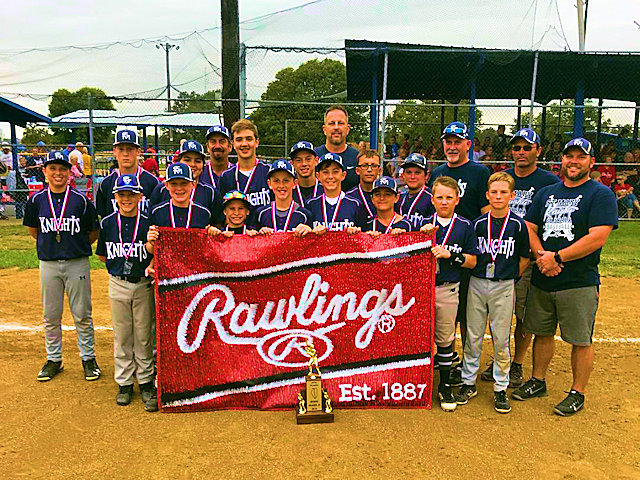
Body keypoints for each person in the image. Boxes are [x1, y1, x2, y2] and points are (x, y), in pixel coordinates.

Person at [512, 137, 618, 416]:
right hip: (544, 276)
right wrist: (541, 256)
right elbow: (530, 227)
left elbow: (598, 236)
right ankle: (538, 380)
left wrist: (557, 258)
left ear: (590, 162)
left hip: (578, 280)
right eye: (569, 156)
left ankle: (577, 392)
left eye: (580, 157)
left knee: (580, 339)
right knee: (542, 332)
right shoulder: (547, 192)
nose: (573, 161)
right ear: (562, 160)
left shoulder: (600, 194)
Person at [486, 128, 560, 388]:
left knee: (523, 315)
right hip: (499, 253)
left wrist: (539, 253)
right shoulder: (502, 178)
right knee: (498, 313)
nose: (521, 152)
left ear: (538, 151)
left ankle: (516, 364)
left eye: (527, 148)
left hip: (527, 256)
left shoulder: (549, 181)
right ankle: (500, 359)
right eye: (517, 148)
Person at [455, 172, 530, 414]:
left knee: (500, 338)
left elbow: (523, 259)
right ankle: (468, 382)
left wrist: (508, 278)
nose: (498, 196)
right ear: (487, 195)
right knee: (473, 335)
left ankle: (500, 386)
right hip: (477, 282)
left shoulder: (518, 225)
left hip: (504, 284)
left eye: (503, 192)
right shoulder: (477, 224)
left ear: (512, 195)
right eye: (494, 192)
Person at [23, 151, 101, 382]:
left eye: (62, 169)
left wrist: (74, 246)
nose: (57, 173)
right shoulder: (36, 201)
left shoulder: (81, 201)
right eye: (53, 168)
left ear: (69, 172)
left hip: (77, 262)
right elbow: (33, 231)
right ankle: (54, 359)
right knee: (51, 314)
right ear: (45, 172)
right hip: (48, 263)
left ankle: (88, 359)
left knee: (82, 314)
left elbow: (93, 232)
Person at [429, 122, 491, 384]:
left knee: (467, 312)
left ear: (468, 144)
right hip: (440, 250)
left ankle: (467, 363)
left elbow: (487, 211)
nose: (452, 146)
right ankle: (447, 357)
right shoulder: (439, 172)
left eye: (458, 142)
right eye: (448, 141)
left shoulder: (479, 171)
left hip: (466, 245)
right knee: (442, 312)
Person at [96, 174, 155, 408]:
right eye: (122, 194)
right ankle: (124, 382)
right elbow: (102, 255)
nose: (127, 199)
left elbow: (154, 252)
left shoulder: (148, 222)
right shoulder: (108, 223)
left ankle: (146, 380)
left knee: (143, 334)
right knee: (122, 334)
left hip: (142, 283)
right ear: (115, 198)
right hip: (118, 281)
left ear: (140, 197)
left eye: (131, 194)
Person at [423, 176, 478, 411]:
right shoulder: (423, 225)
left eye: (449, 197)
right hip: (422, 289)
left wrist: (450, 256)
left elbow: (473, 261)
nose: (444, 202)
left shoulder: (465, 226)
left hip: (448, 287)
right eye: (439, 197)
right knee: (418, 339)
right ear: (432, 199)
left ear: (457, 199)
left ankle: (445, 385)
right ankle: (417, 383)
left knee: (445, 339)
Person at [149, 140, 223, 225]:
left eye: (198, 161)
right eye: (187, 160)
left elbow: (217, 223)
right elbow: (152, 220)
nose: (192, 164)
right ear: (179, 161)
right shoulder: (161, 189)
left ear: (203, 165)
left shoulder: (211, 192)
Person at [96, 130, 160, 220]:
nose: (125, 154)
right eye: (121, 149)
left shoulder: (152, 182)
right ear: (114, 151)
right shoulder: (106, 184)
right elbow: (103, 216)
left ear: (138, 151)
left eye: (130, 149)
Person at [218, 119, 271, 210]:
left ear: (257, 142)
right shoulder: (226, 177)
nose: (244, 144)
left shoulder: (269, 172)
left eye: (249, 139)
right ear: (233, 144)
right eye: (239, 140)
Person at [306, 152, 364, 233]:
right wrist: (311, 230)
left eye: (335, 172)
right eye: (325, 172)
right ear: (318, 176)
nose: (330, 176)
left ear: (343, 175)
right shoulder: (311, 204)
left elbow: (365, 236)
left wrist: (356, 231)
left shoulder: (355, 204)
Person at [252, 159, 313, 235]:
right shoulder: (261, 213)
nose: (281, 185)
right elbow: (251, 240)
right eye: (276, 181)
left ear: (295, 183)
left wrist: (309, 230)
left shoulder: (304, 215)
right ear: (269, 184)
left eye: (286, 180)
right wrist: (259, 232)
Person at [314, 105, 360, 192]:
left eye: (340, 123)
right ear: (324, 129)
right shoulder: (313, 157)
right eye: (331, 123)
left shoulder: (357, 158)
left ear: (347, 129)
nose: (336, 127)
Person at [396, 153, 434, 231]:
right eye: (409, 172)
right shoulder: (399, 198)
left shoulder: (432, 199)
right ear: (403, 175)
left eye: (417, 173)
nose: (412, 177)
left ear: (426, 175)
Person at [346, 149, 381, 224]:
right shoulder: (348, 197)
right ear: (357, 170)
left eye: (374, 166)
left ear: (379, 170)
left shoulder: (387, 196)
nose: (369, 169)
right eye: (364, 165)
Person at [289, 141, 323, 207]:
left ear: (316, 160)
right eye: (298, 160)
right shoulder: (287, 191)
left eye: (308, 159)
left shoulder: (325, 190)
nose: (304, 164)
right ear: (292, 164)